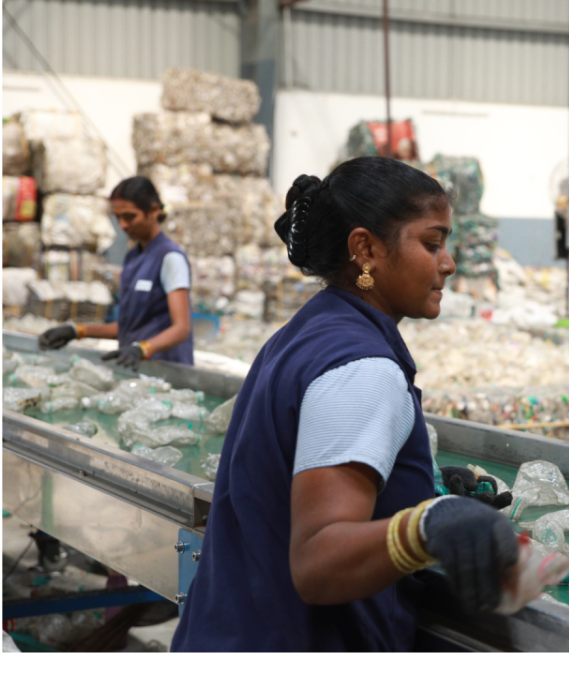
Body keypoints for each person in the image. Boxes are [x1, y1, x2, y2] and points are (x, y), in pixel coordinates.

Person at [171, 157, 519, 651]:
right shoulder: (362, 367)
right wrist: (427, 524)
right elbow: (318, 563)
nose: (448, 263)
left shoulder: (311, 331)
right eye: (431, 243)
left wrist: (415, 487)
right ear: (366, 249)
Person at [37, 177, 194, 367]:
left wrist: (142, 349)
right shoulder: (134, 257)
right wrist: (77, 331)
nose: (123, 225)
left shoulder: (170, 258)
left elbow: (181, 328)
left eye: (130, 216)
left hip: (166, 369)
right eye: (117, 217)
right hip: (137, 369)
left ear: (153, 211)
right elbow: (130, 327)